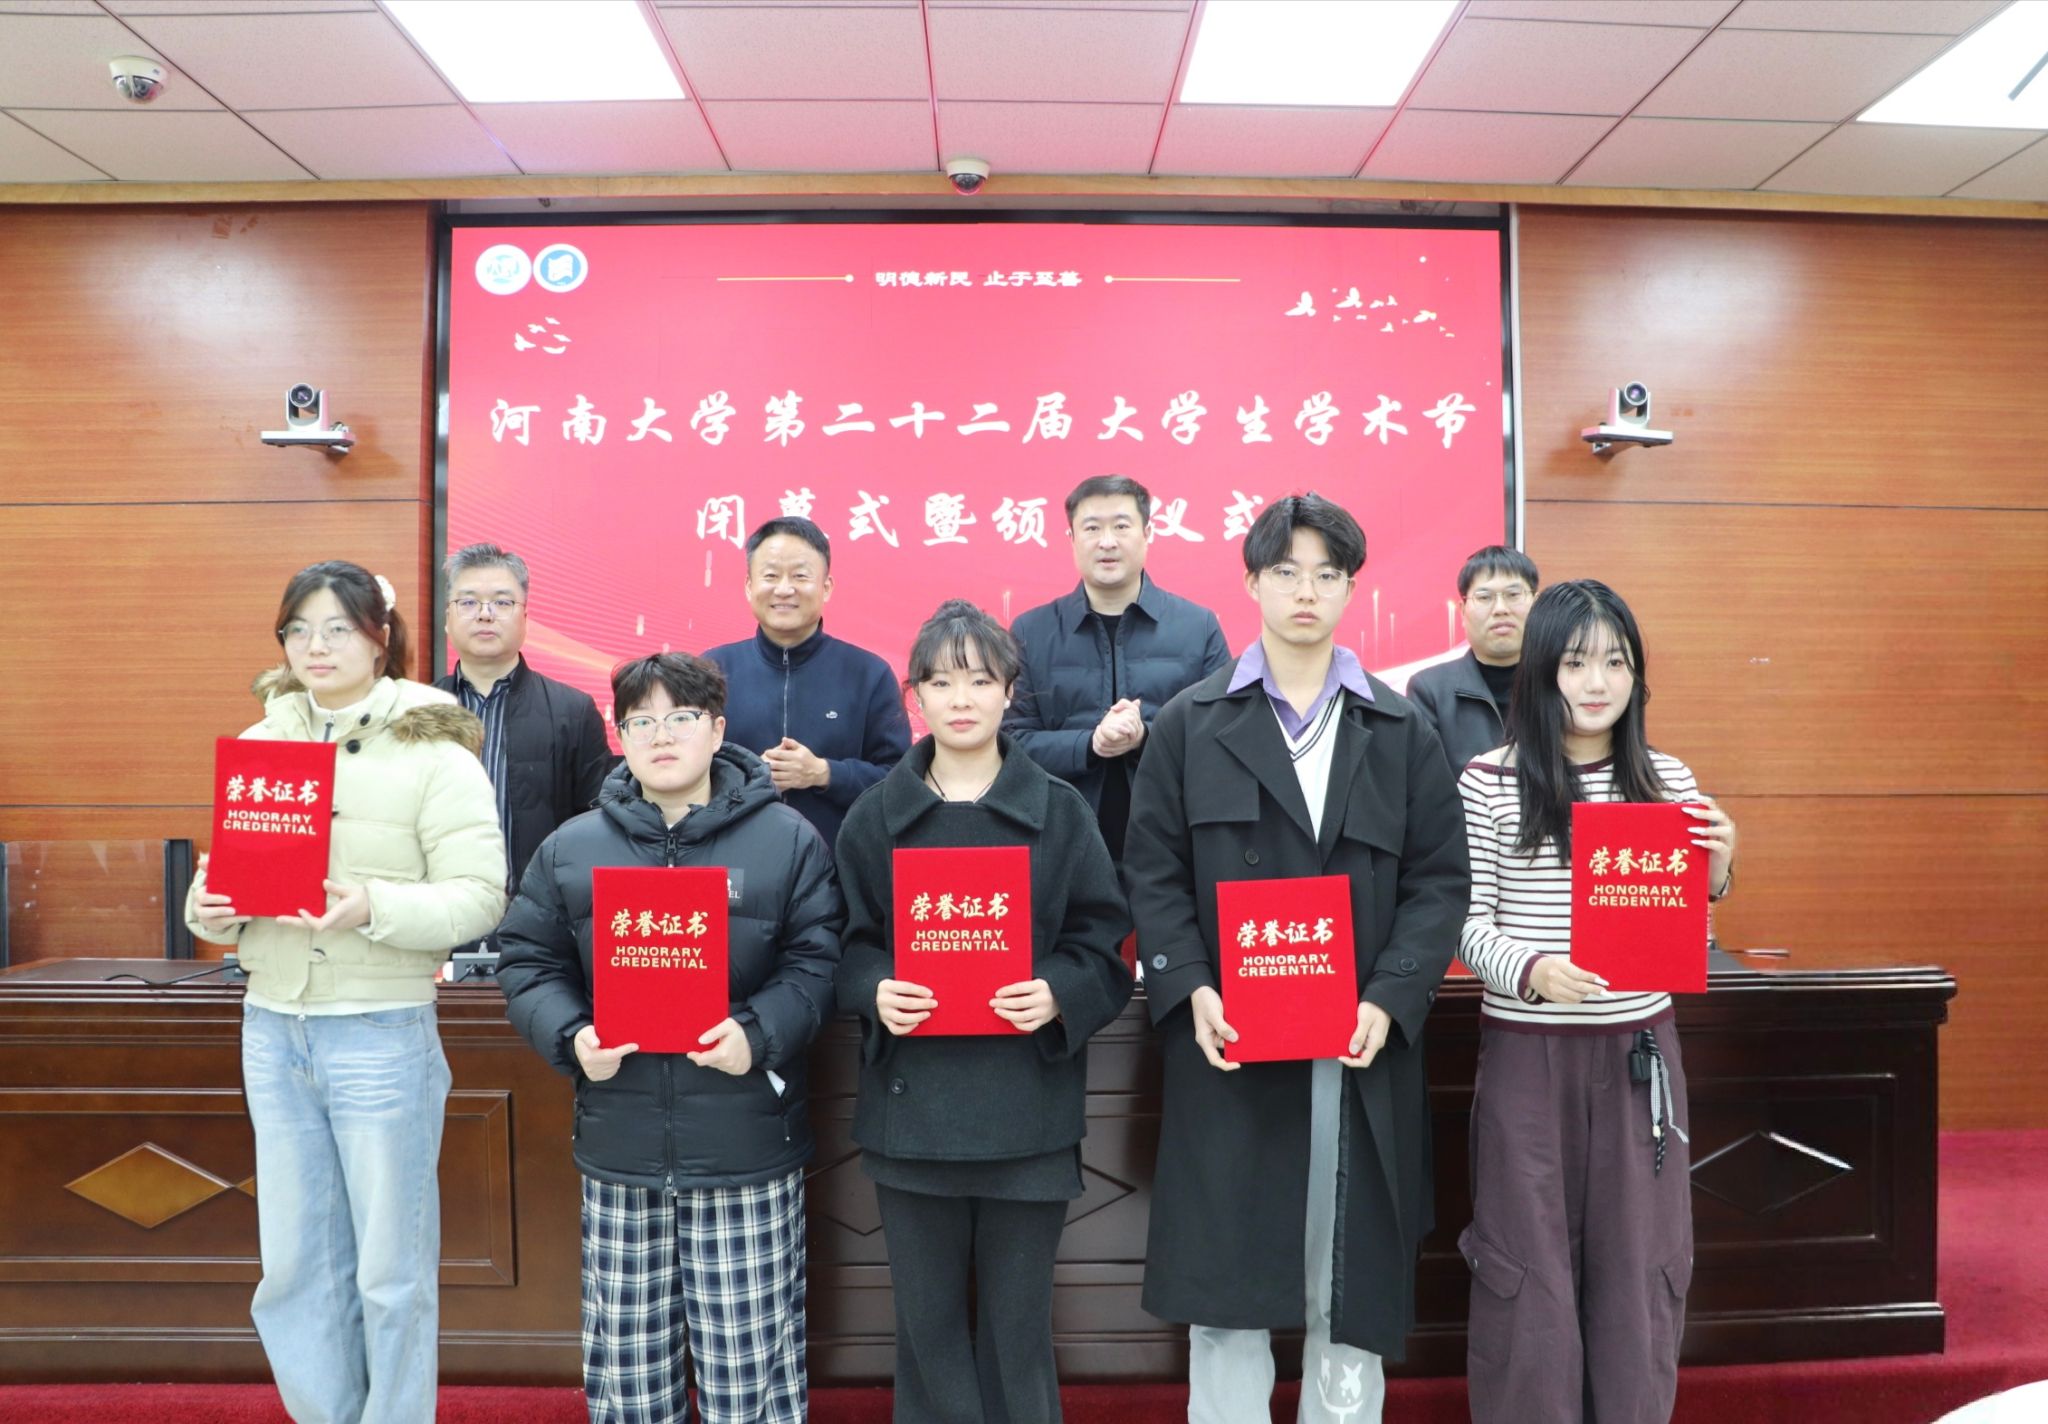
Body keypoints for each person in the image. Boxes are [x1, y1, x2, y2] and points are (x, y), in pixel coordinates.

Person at [1123, 495, 1469, 1424]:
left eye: (1326, 574)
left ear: (1351, 588)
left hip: (1357, 1048)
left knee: (1345, 1282)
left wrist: (1392, 997)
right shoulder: (1190, 723)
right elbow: (1151, 871)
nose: (1305, 591)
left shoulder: (1400, 729)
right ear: (1251, 583)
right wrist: (1189, 986)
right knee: (1228, 1287)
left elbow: (1441, 882)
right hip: (1232, 1045)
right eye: (1286, 572)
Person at [187, 560, 508, 1424]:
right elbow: (224, 891)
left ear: (379, 638)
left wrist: (374, 906)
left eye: (336, 628)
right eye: (298, 630)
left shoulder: (434, 749)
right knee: (294, 1265)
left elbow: (481, 896)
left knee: (390, 1269)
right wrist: (209, 906)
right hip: (273, 1026)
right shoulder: (262, 744)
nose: (315, 646)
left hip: (379, 1028)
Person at [495, 652, 843, 1424]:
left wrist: (758, 1034)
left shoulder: (787, 841)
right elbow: (528, 960)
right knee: (628, 1374)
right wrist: (571, 1036)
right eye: (640, 721)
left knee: (750, 1373)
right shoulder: (572, 847)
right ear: (619, 737)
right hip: (620, 1146)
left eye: (681, 717)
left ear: (717, 730)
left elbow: (818, 963)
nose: (661, 735)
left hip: (745, 1144)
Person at [834, 599, 1134, 1424]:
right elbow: (844, 945)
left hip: (1027, 1115)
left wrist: (1058, 991)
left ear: (1010, 691)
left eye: (978, 679)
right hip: (911, 1118)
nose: (960, 698)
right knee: (926, 1329)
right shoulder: (874, 817)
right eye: (940, 681)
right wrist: (874, 988)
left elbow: (1103, 945)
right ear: (915, 697)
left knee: (1017, 1329)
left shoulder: (1061, 811)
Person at [1456, 579, 1737, 1424]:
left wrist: (1719, 868)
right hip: (1527, 1057)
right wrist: (1531, 968)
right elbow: (1464, 922)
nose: (1597, 682)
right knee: (1526, 1266)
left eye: (1616, 663)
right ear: (1542, 669)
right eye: (1576, 662)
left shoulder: (1667, 778)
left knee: (1638, 1266)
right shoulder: (1488, 780)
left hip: (1637, 1054)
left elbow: (1691, 926)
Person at [1004, 474, 1231, 861]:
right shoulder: (1031, 632)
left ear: (1148, 533)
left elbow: (1221, 737)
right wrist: (1090, 744)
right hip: (1062, 848)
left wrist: (1145, 736)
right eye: (1092, 528)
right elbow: (1011, 743)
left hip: (1173, 848)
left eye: (1121, 526)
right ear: (1072, 539)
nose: (1107, 541)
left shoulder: (1198, 627)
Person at [705, 517, 911, 850]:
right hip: (734, 862)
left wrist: (824, 773)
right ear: (749, 586)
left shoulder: (868, 674)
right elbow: (684, 772)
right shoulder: (712, 670)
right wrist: (749, 778)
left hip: (841, 863)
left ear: (826, 587)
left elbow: (902, 781)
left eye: (800, 576)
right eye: (771, 576)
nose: (784, 589)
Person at [435, 542, 615, 893]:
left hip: (540, 913)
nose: (485, 614)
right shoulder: (419, 711)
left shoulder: (573, 710)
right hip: (441, 910)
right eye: (468, 602)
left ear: (525, 619)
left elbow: (596, 825)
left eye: (502, 602)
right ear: (447, 619)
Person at [1405, 545, 1540, 777]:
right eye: (1485, 597)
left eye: (1513, 595)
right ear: (1462, 611)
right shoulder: (1430, 691)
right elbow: (1425, 784)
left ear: (1537, 604)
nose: (1500, 609)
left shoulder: (1561, 680)